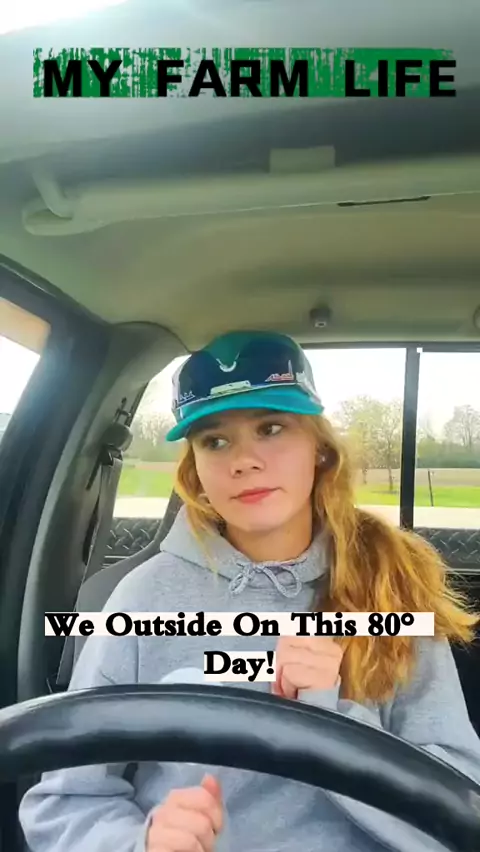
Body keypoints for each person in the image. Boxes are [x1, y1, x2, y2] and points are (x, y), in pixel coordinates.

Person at [18, 329, 480, 852]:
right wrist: (139, 843)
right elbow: (65, 799)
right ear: (196, 470)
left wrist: (334, 715)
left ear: (319, 449)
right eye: (215, 441)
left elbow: (460, 800)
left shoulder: (394, 585)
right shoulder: (143, 599)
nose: (243, 460)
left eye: (271, 428)